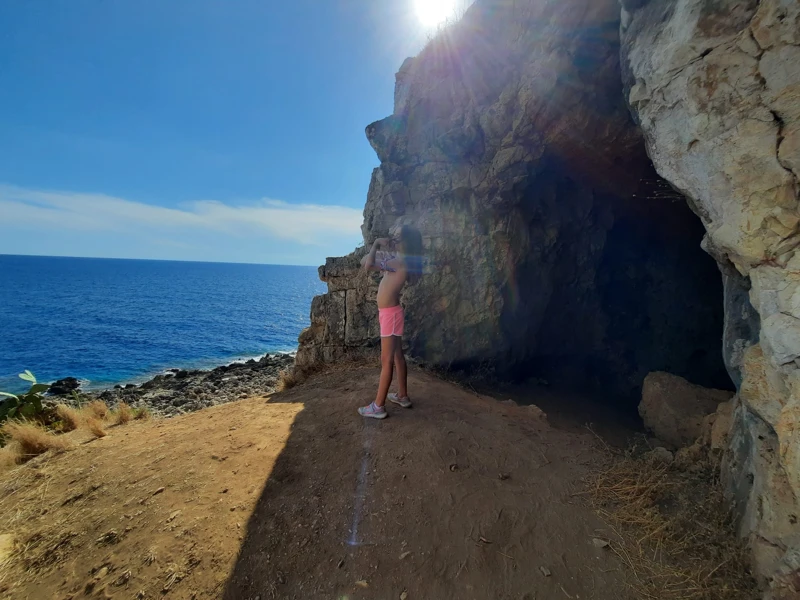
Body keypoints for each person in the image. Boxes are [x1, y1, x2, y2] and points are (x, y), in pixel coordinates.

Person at [357, 223, 423, 419]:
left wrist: (377, 244)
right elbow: (363, 260)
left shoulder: (398, 262)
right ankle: (402, 395)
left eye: (397, 237)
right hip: (392, 314)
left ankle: (378, 406)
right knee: (396, 357)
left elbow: (368, 264)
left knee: (386, 360)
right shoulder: (398, 261)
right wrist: (382, 253)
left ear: (405, 242)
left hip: (390, 315)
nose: (393, 238)